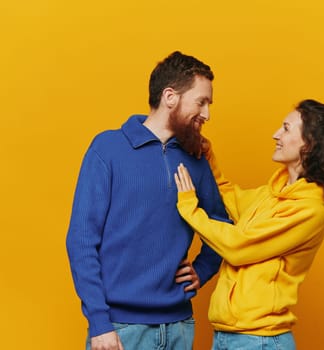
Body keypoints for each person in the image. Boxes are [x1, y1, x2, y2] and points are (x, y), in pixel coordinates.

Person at [66, 51, 230, 350]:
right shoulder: (108, 148)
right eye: (201, 102)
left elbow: (222, 225)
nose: (207, 114)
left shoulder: (196, 158)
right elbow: (82, 240)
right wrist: (100, 323)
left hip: (179, 328)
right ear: (170, 96)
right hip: (119, 328)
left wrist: (202, 270)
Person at [174, 99, 324, 349]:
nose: (276, 135)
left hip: (259, 341)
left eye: (286, 128)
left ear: (310, 144)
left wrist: (190, 209)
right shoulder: (273, 194)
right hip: (230, 336)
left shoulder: (310, 208)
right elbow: (228, 196)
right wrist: (208, 156)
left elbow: (238, 248)